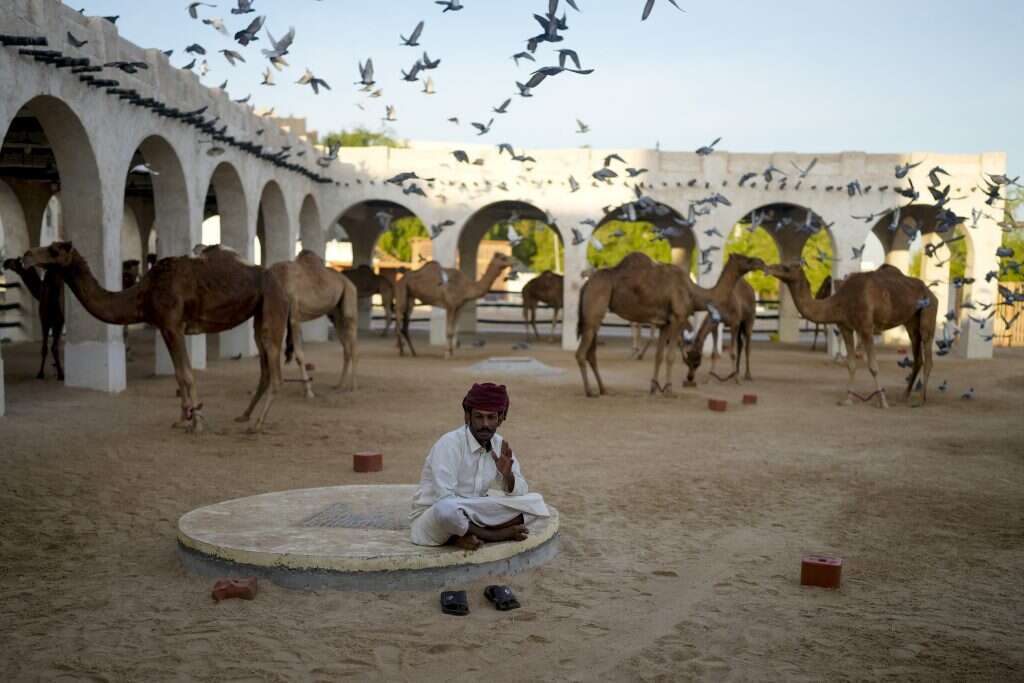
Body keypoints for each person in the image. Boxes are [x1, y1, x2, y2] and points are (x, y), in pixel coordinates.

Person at [410, 382, 549, 550]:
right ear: (467, 416)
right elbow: (444, 498)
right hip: (433, 519)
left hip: (473, 512)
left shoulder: (499, 445)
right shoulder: (450, 444)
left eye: (491, 417)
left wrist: (508, 476)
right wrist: (488, 524)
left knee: (536, 503)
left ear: (501, 419)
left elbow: (521, 491)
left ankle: (470, 533)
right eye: (479, 417)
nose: (485, 424)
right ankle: (494, 534)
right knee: (446, 509)